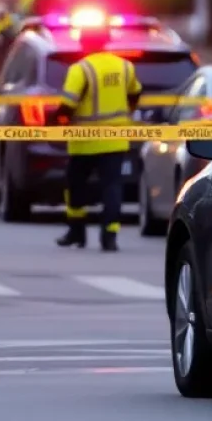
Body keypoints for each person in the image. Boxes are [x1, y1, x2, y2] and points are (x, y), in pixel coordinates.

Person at [55, 21, 142, 251]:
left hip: (84, 142)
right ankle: (109, 236)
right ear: (106, 41)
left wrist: (55, 122)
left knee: (75, 186)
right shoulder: (125, 67)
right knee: (112, 187)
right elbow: (135, 93)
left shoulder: (80, 69)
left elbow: (67, 105)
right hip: (116, 139)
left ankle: (76, 232)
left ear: (83, 42)